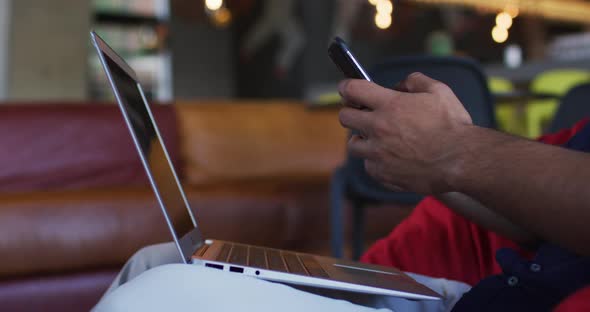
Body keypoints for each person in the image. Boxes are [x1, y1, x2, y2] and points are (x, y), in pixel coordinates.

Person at [94, 73, 590, 311]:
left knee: (154, 298)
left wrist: (452, 150)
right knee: (157, 263)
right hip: (486, 297)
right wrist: (441, 170)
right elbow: (554, 219)